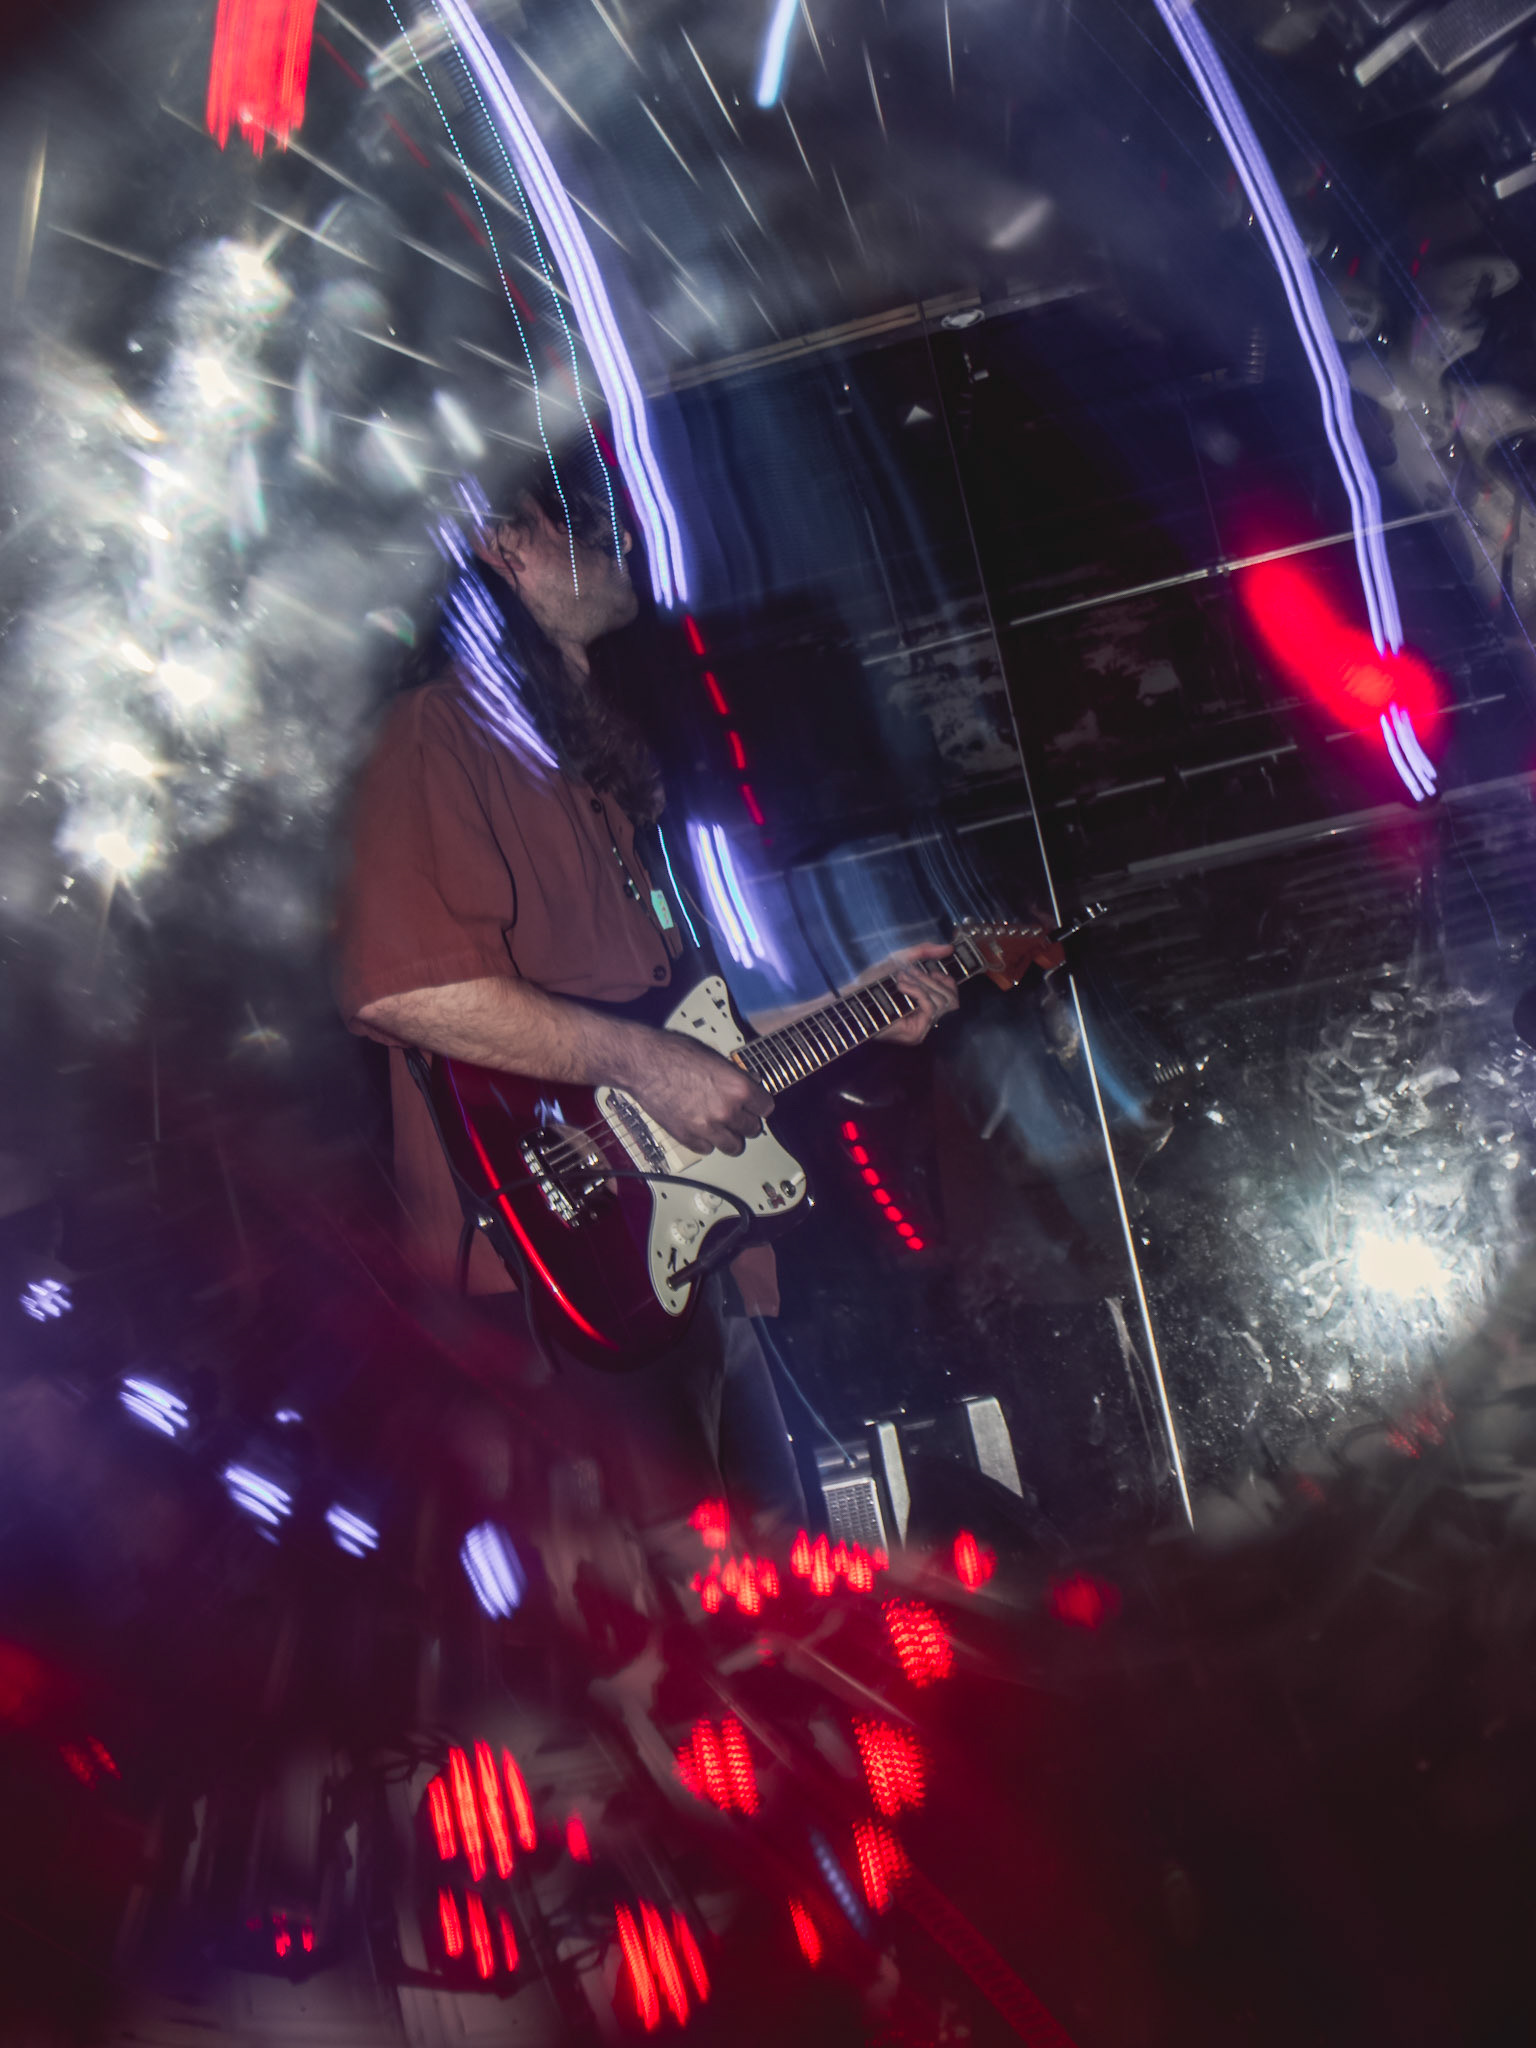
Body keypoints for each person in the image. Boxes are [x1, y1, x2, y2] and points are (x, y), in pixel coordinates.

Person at [333, 472, 958, 1539]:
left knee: (781, 1590)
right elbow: (404, 985)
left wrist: (855, 1005)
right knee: (674, 1609)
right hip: (556, 1271)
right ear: (502, 547)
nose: (622, 536)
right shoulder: (436, 733)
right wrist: (646, 1066)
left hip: (693, 1260)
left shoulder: (594, 775)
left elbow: (684, 1034)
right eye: (584, 519)